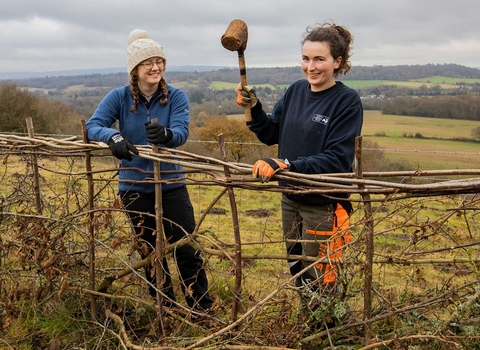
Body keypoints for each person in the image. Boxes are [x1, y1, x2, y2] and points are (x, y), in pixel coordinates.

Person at [237, 22, 363, 326]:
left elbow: (337, 158)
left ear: (338, 62)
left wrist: (288, 164)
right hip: (290, 197)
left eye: (319, 59)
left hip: (323, 202)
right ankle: (310, 324)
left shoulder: (346, 102)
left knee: (323, 274)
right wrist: (254, 109)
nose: (311, 66)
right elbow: (271, 133)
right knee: (298, 266)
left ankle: (328, 333)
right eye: (305, 58)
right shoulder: (295, 91)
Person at [86, 29, 213, 314]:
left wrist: (166, 134)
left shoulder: (177, 97)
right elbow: (93, 125)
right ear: (135, 69)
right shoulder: (118, 97)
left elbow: (180, 133)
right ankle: (165, 309)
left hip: (171, 183)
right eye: (148, 63)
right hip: (133, 187)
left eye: (159, 61)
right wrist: (113, 137)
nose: (155, 67)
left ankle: (201, 310)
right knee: (150, 251)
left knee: (186, 248)